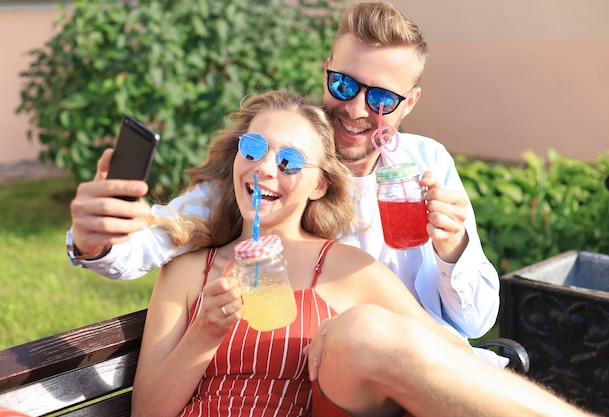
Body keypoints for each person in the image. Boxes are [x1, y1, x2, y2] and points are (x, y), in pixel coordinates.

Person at [67, 2, 499, 343]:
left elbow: (476, 321)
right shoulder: (275, 168)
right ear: (327, 70)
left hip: (437, 360)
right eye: (344, 84)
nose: (356, 109)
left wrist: (453, 248)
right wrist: (96, 239)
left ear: (411, 102)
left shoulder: (429, 162)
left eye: (382, 98)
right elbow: (158, 238)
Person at [130, 90, 472, 416]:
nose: (264, 168)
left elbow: (451, 353)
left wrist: (350, 347)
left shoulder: (349, 271)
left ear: (319, 185)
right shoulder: (189, 272)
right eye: (253, 148)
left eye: (289, 161)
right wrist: (203, 334)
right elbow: (146, 411)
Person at [306, 305, 598, 417]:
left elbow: (453, 341)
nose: (267, 169)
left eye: (289, 165)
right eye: (256, 163)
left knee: (363, 330)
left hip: (344, 392)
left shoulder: (341, 262)